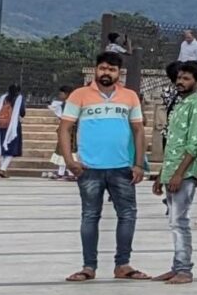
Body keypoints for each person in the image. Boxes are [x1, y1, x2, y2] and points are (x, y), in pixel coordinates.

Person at [59, 52, 146, 282]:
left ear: (119, 73)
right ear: (96, 69)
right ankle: (89, 266)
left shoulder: (130, 97)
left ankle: (123, 265)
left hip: (122, 168)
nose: (106, 73)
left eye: (112, 69)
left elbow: (138, 131)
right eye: (103, 68)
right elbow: (65, 128)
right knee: (90, 216)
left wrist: (138, 164)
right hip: (89, 169)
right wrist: (70, 161)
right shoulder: (79, 95)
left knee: (127, 215)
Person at [152, 60, 197, 284]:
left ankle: (184, 269)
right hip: (172, 169)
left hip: (185, 174)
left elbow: (194, 144)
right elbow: (172, 144)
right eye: (179, 78)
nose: (180, 82)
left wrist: (179, 174)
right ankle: (177, 266)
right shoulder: (180, 103)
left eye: (186, 78)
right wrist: (162, 174)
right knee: (174, 221)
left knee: (179, 221)